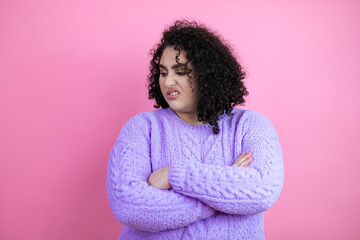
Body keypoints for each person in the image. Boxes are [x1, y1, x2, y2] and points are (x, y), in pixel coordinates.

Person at [106, 20, 284, 240]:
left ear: (208, 75)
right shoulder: (141, 128)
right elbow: (129, 205)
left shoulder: (251, 126)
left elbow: (261, 190)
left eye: (180, 72)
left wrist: (174, 175)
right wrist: (223, 193)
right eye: (163, 72)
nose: (168, 81)